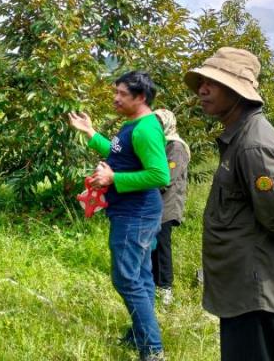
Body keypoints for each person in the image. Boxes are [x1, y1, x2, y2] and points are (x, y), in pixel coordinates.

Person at [185, 47, 274, 360]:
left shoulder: (253, 145)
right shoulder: (239, 136)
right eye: (202, 81)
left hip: (254, 292)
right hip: (241, 288)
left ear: (237, 91)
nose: (202, 89)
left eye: (212, 83)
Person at [69, 71, 170, 361]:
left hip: (136, 213)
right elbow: (118, 154)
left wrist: (114, 179)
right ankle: (141, 334)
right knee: (141, 275)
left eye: (122, 94)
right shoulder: (132, 124)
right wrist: (90, 133)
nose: (115, 98)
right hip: (132, 211)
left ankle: (152, 350)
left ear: (140, 97)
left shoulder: (146, 129)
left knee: (126, 279)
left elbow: (159, 174)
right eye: (116, 92)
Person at [151, 109, 190, 306]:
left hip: (167, 205)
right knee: (153, 246)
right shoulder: (161, 144)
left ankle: (165, 288)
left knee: (162, 246)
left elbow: (167, 179)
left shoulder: (176, 146)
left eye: (158, 122)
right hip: (155, 204)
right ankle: (154, 284)